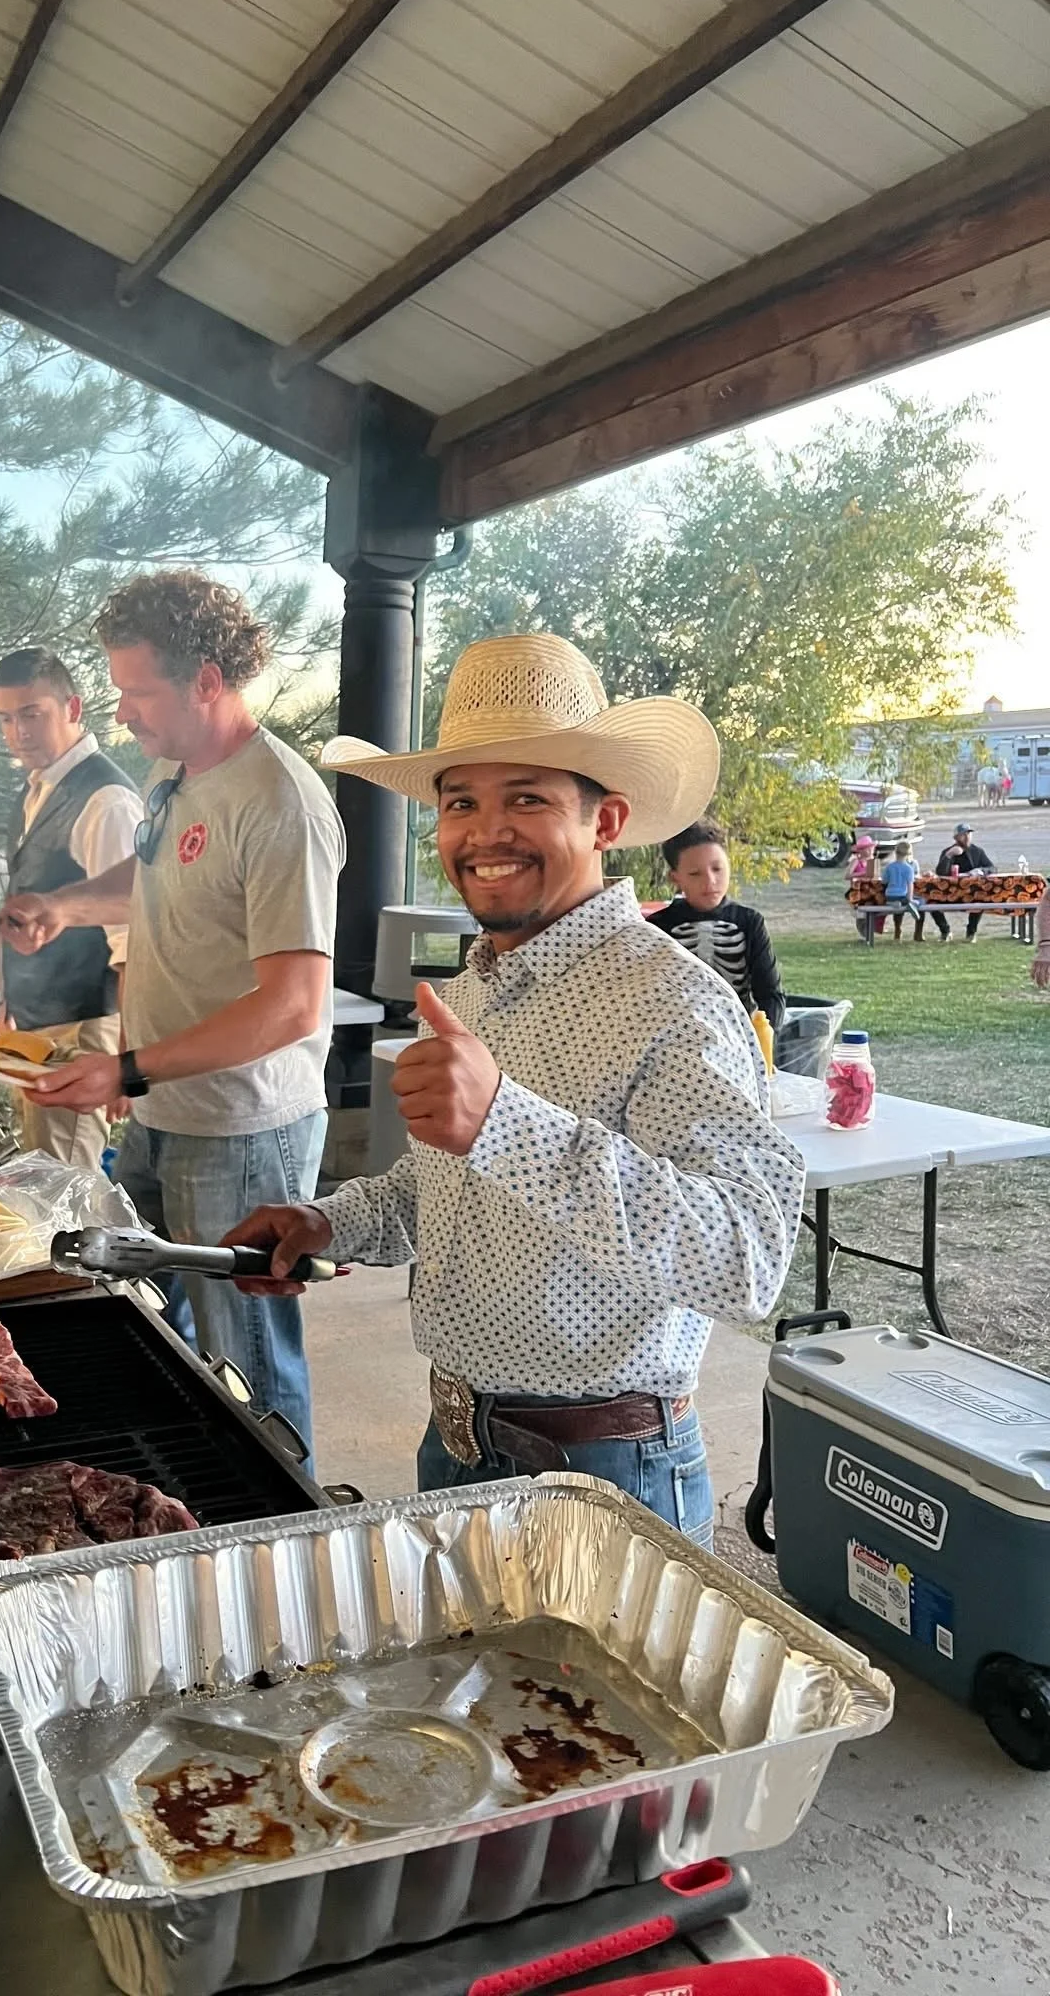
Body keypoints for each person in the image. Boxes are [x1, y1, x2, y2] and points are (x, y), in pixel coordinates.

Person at [223, 633, 804, 1546]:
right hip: (452, 1444)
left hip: (606, 1477)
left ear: (605, 823)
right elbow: (448, 1191)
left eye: (525, 798)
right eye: (460, 804)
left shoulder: (676, 1001)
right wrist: (332, 1223)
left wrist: (505, 1122)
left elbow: (749, 1258)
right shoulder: (470, 986)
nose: (482, 833)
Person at [0, 572, 345, 1454]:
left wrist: (127, 1067)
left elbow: (293, 1006)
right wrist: (64, 906)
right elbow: (149, 883)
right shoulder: (174, 773)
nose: (123, 715)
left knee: (250, 1366)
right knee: (161, 1334)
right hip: (163, 1110)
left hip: (240, 1130)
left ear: (205, 681)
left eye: (137, 692)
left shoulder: (280, 804)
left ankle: (279, 1542)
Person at [0, 647, 142, 1170]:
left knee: (68, 1188)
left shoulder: (107, 800)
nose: (18, 733)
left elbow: (134, 931)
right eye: (6, 719)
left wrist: (126, 1059)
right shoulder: (36, 789)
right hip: (36, 1026)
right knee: (43, 1177)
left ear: (73, 707)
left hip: (84, 1028)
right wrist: (12, 1006)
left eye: (32, 714)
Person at [645, 821, 785, 1023]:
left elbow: (771, 996)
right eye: (695, 874)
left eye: (717, 869)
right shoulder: (657, 927)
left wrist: (762, 1043)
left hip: (740, 1038)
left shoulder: (749, 922)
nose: (710, 881)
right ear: (674, 878)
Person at [926, 822, 994, 942]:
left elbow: (991, 868)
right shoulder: (949, 851)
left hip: (971, 893)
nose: (967, 837)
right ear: (956, 838)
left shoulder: (977, 851)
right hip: (949, 893)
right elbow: (941, 872)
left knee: (979, 901)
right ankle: (945, 931)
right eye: (963, 834)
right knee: (931, 902)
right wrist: (949, 855)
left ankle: (971, 933)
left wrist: (980, 871)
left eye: (969, 834)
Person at [880, 838, 921, 942]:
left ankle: (893, 903)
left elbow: (884, 881)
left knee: (892, 899)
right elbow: (910, 885)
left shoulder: (889, 867)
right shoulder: (908, 868)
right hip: (902, 895)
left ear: (895, 852)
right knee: (909, 900)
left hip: (889, 894)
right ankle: (907, 904)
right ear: (908, 854)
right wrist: (910, 898)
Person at [846, 834, 881, 943]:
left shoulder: (873, 861)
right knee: (861, 915)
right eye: (868, 849)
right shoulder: (856, 861)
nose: (871, 851)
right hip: (858, 891)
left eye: (872, 848)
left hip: (870, 890)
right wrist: (862, 873)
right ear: (861, 851)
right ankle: (865, 934)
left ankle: (869, 933)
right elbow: (847, 875)